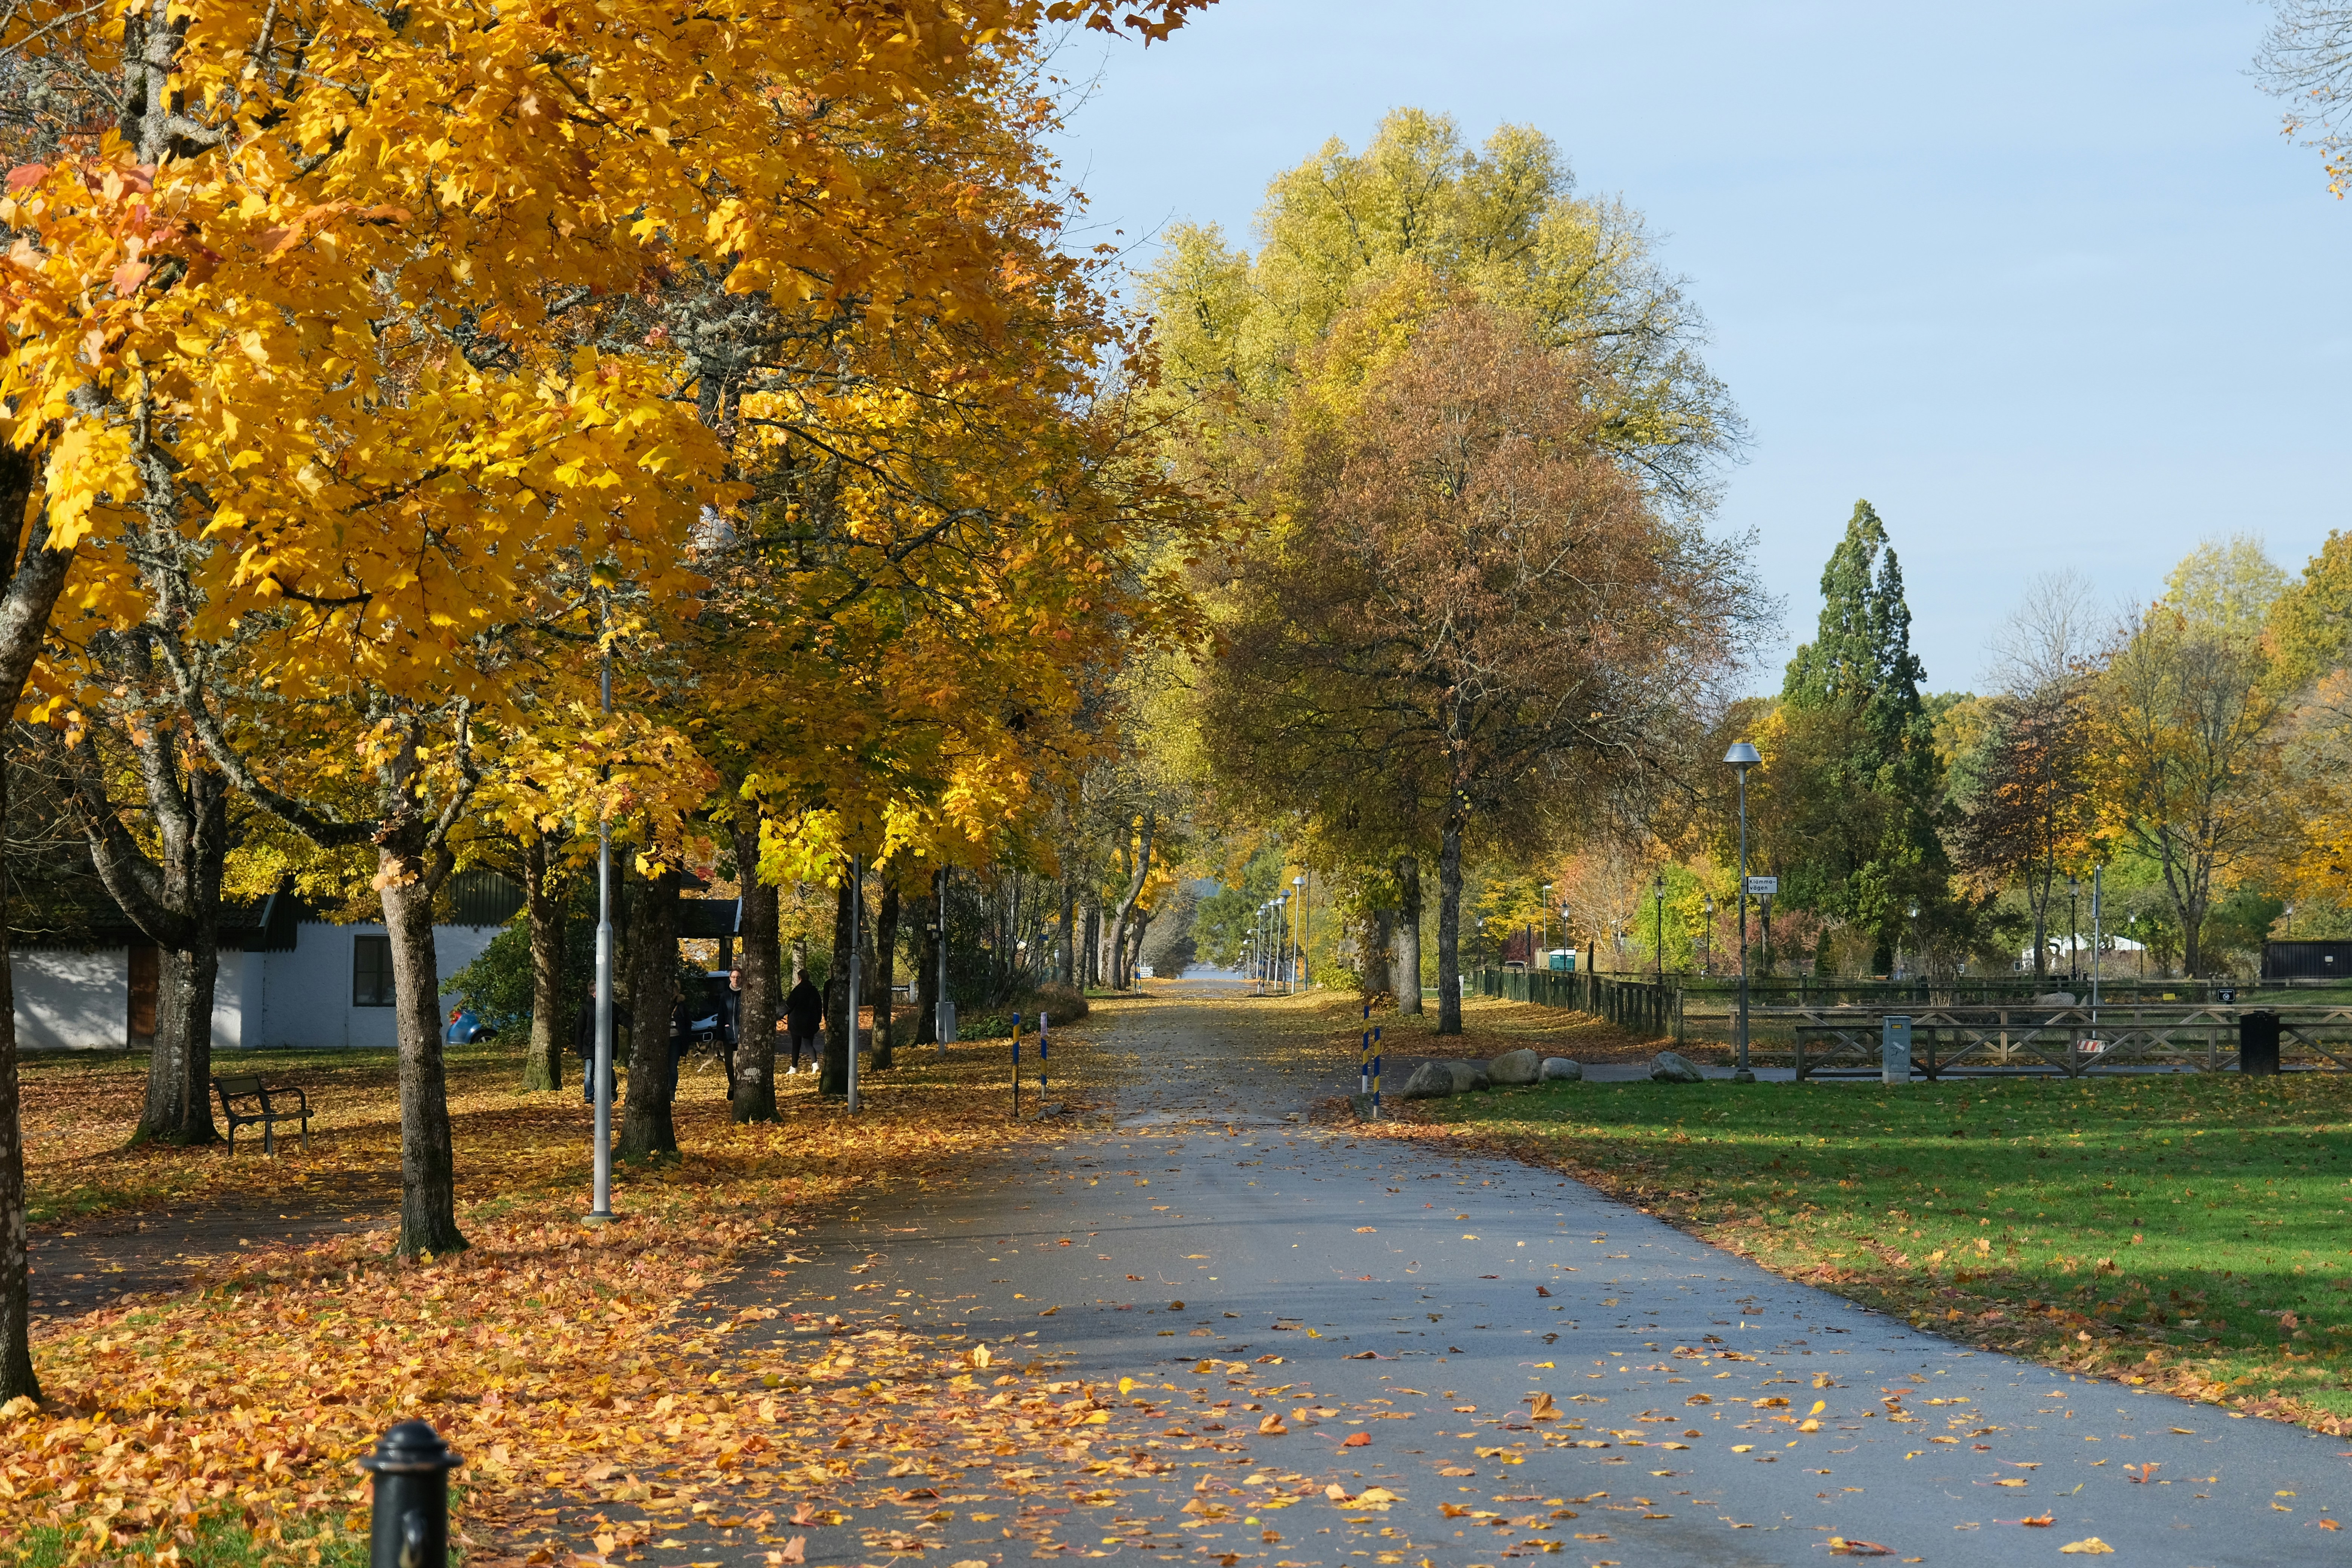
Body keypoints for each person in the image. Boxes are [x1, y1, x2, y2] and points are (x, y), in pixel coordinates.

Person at [784, 974, 823, 1075]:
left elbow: (789, 1006)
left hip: (796, 1023)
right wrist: (818, 1020)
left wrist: (779, 1015)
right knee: (809, 1044)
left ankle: (794, 1067)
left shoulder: (797, 991)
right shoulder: (814, 991)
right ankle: (815, 1064)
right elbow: (819, 1006)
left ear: (799, 978)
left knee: (796, 1045)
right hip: (810, 1022)